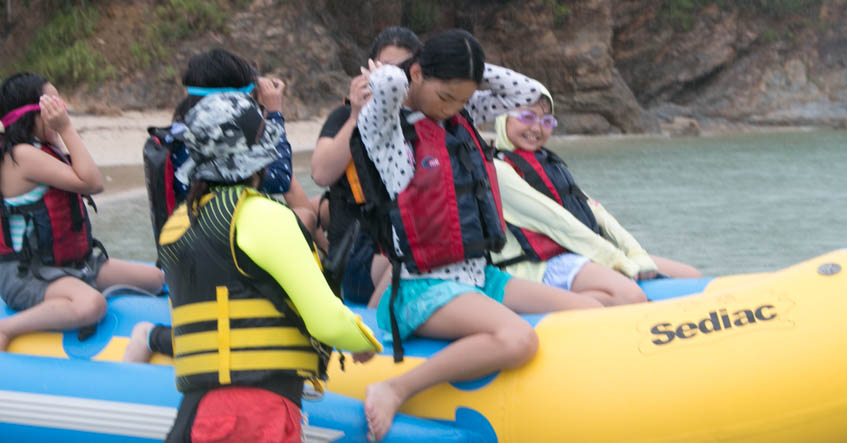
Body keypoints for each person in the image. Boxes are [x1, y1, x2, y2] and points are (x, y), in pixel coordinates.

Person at [352, 29, 600, 441]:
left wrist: (469, 65)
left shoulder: (457, 116)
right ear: (416, 74)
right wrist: (393, 74)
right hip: (421, 288)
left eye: (464, 100)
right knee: (518, 339)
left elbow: (530, 91)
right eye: (446, 97)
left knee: (589, 312)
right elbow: (392, 85)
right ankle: (394, 388)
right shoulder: (386, 129)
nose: (454, 109)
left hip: (479, 278)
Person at [158, 92, 380, 442]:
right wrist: (363, 341)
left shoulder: (176, 224)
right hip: (254, 414)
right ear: (257, 157)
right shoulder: (263, 216)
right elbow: (326, 320)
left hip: (194, 413)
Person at [127, 48, 322, 362]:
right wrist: (273, 113)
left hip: (191, 258)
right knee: (302, 217)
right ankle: (152, 336)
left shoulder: (184, 131)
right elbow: (280, 177)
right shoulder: (217, 142)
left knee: (305, 212)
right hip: (218, 261)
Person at [490, 88, 700, 305]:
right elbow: (557, 222)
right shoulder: (496, 170)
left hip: (579, 253)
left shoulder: (547, 163)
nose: (536, 128)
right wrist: (618, 261)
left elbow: (598, 214)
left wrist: (636, 254)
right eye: (527, 117)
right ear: (503, 116)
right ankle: (550, 308)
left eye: (546, 121)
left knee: (690, 275)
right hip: (536, 267)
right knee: (629, 296)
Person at [0, 73, 164, 350]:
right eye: (54, 104)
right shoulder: (22, 157)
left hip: (70, 264)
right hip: (26, 273)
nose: (61, 109)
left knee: (155, 279)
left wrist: (59, 134)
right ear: (34, 114)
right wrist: (65, 129)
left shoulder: (43, 149)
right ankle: (6, 328)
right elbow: (92, 182)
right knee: (92, 304)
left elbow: (82, 174)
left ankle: (73, 289)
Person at [311, 27, 421, 307]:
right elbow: (321, 173)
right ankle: (374, 319)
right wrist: (358, 115)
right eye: (385, 68)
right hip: (360, 252)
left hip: (407, 242)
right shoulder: (344, 117)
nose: (394, 77)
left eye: (404, 69)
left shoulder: (424, 122)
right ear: (368, 72)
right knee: (419, 255)